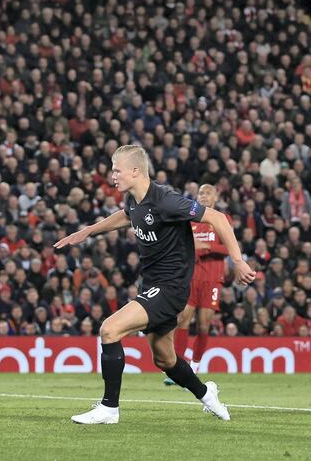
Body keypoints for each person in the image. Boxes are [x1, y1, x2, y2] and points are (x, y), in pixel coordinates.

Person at [55, 145, 254, 424]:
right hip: (151, 284)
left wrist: (238, 261)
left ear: (135, 171)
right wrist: (87, 232)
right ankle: (207, 393)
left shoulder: (166, 200)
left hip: (170, 288)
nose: (112, 175)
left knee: (109, 330)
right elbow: (125, 216)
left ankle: (109, 408)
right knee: (165, 360)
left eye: (116, 169)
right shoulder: (136, 201)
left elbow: (217, 218)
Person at [167, 184, 229, 384]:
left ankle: (195, 366)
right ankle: (178, 369)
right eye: (200, 193)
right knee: (182, 319)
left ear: (216, 196)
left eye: (208, 192)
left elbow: (229, 248)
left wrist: (206, 246)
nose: (203, 196)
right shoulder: (189, 219)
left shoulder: (221, 219)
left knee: (203, 325)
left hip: (212, 279)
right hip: (191, 277)